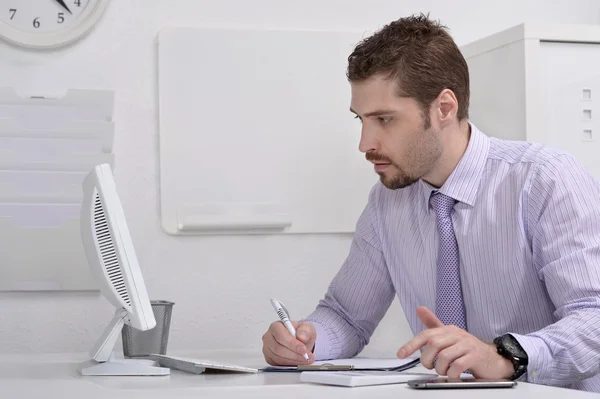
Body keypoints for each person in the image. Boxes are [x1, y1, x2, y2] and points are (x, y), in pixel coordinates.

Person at [261, 14, 600, 392]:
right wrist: (305, 340)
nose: (365, 144)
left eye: (385, 119)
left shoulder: (545, 180)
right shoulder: (386, 202)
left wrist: (502, 356)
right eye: (361, 119)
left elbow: (593, 318)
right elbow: (346, 316)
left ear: (443, 108)